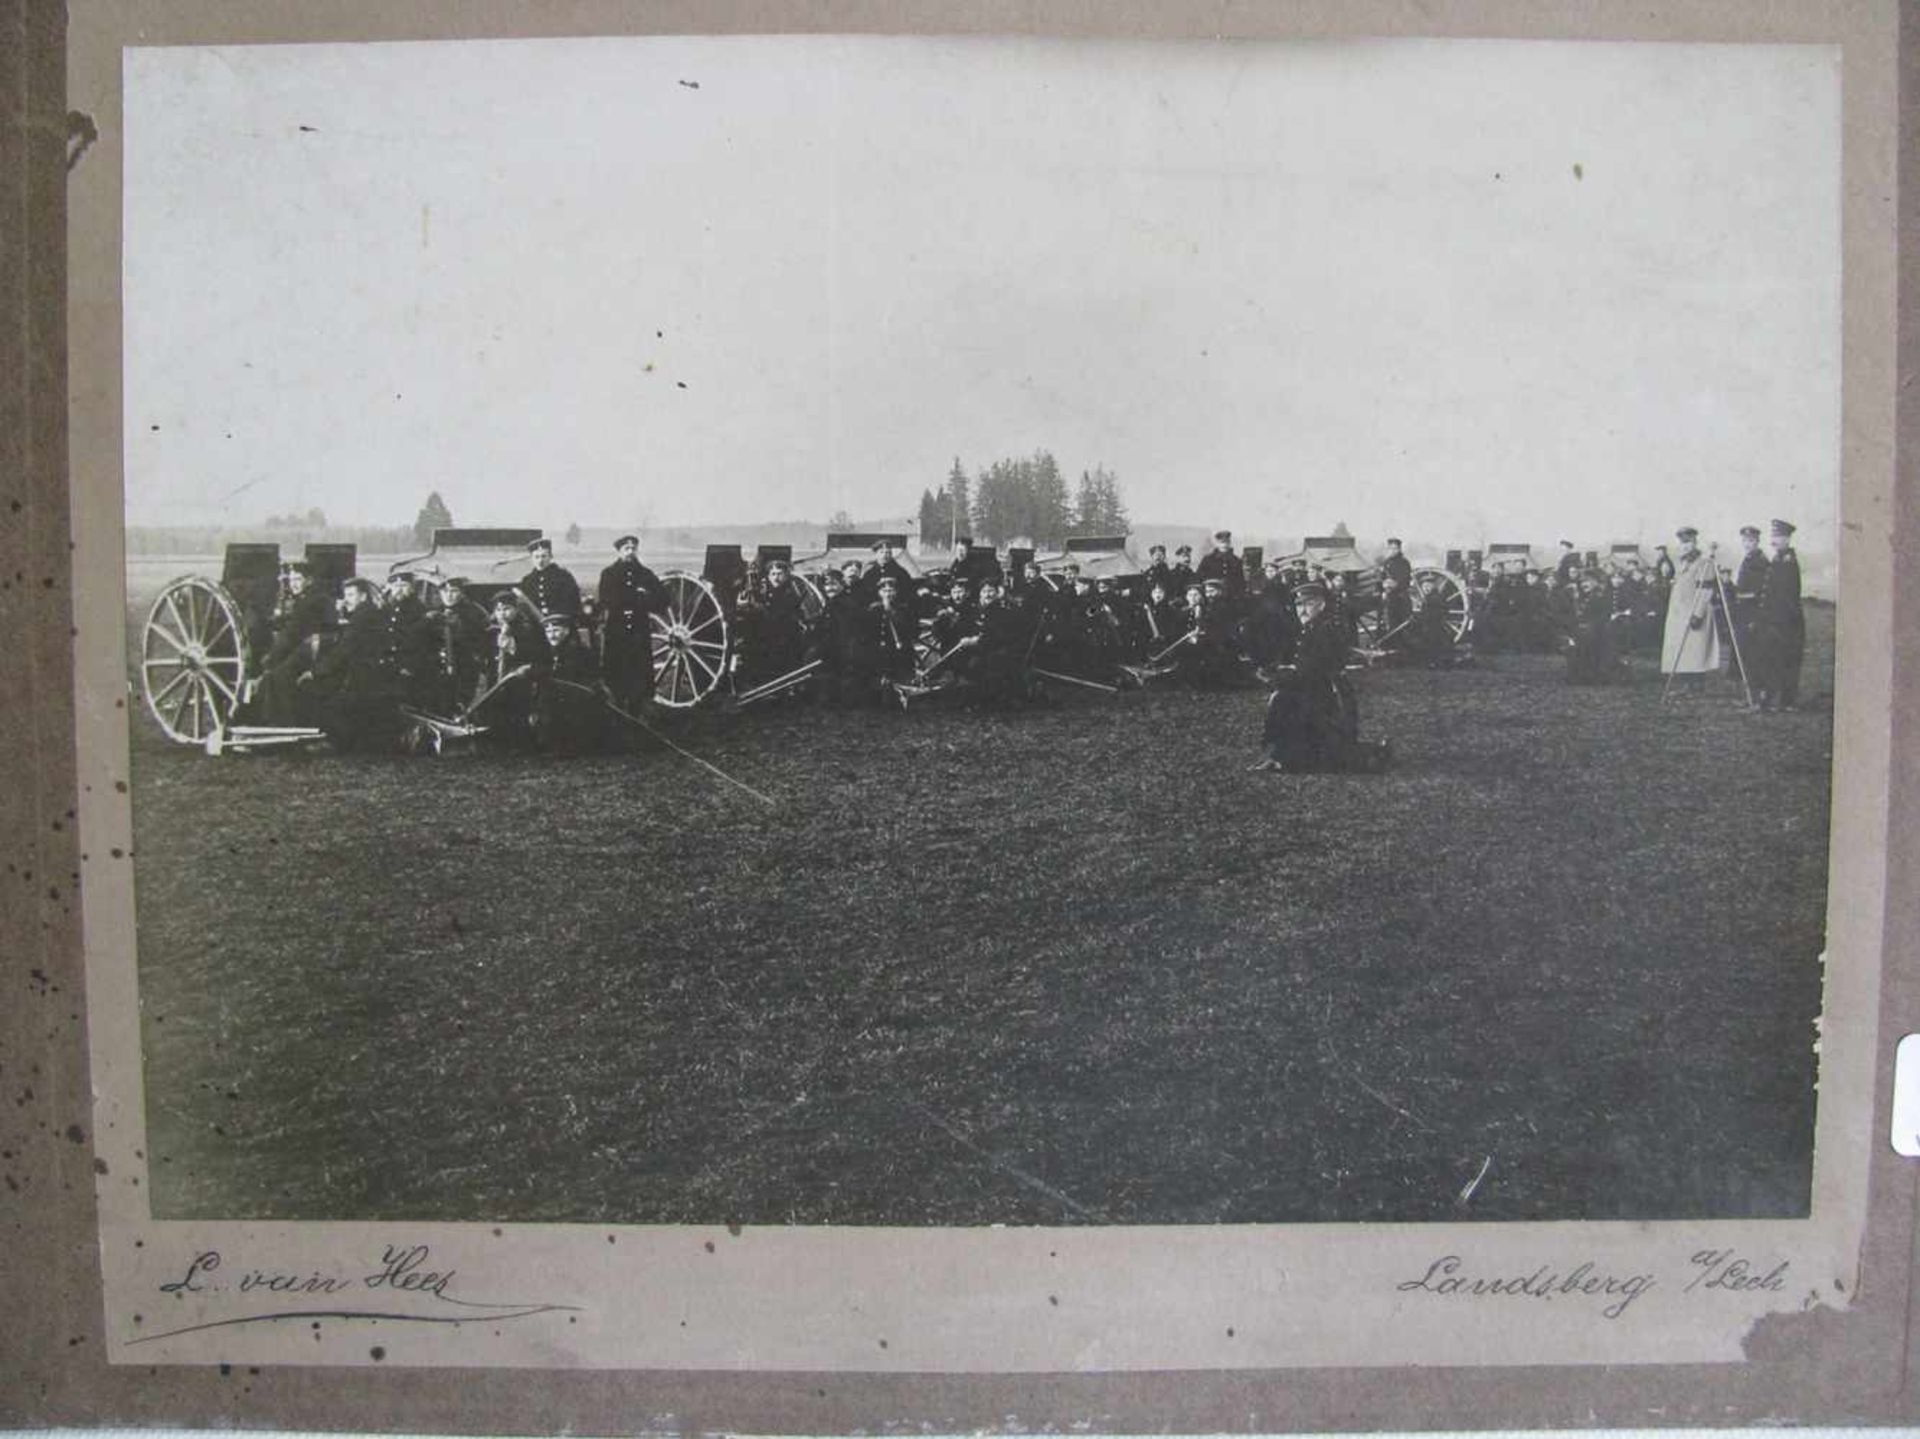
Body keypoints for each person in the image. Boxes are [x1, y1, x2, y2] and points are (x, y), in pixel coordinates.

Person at [1251, 581, 1390, 774]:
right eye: (1299, 605)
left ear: (1322, 605)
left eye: (1308, 604)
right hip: (1312, 689)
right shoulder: (1311, 628)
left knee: (1327, 756)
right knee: (1287, 707)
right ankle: (1279, 756)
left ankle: (1375, 754)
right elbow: (1301, 664)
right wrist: (1279, 671)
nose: (1302, 610)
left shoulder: (1325, 630)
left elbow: (1311, 670)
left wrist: (1277, 679)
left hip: (1326, 695)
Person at [596, 535, 670, 711]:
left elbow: (663, 600)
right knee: (617, 670)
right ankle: (618, 706)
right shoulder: (608, 574)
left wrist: (646, 599)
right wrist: (637, 596)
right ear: (619, 551)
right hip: (617, 630)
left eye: (633, 549)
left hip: (639, 630)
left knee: (639, 671)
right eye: (626, 549)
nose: (630, 552)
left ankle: (637, 709)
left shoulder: (645, 574)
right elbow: (606, 600)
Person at [1659, 526, 1723, 694]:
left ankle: (1696, 685)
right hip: (1681, 613)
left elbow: (1706, 589)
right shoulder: (1683, 563)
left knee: (1695, 650)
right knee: (1685, 650)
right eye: (1682, 542)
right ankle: (1688, 684)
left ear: (1695, 542)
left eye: (1688, 542)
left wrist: (1698, 613)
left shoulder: (1704, 562)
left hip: (1694, 611)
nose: (1685, 545)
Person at [1750, 518, 1805, 711]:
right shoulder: (1777, 559)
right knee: (1771, 658)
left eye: (1779, 536)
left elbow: (1788, 595)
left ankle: (1786, 701)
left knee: (1786, 659)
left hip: (1785, 621)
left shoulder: (1788, 561)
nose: (1775, 540)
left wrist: (1780, 621)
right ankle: (1771, 697)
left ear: (1788, 539)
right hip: (1772, 620)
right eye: (1774, 536)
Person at [1727, 524, 1768, 682]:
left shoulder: (1760, 561)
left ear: (1757, 541)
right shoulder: (1748, 559)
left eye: (1750, 541)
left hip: (1753, 610)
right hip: (1743, 610)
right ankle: (1742, 682)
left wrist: (1742, 597)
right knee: (1740, 646)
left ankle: (1752, 684)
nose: (1747, 544)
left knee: (1751, 650)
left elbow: (1760, 591)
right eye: (1744, 540)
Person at [520, 537, 582, 622]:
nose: (540, 560)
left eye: (544, 556)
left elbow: (572, 602)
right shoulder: (527, 580)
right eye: (536, 557)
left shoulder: (563, 576)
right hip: (536, 625)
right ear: (532, 558)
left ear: (551, 557)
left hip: (560, 623)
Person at [1196, 530, 1247, 599]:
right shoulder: (1208, 560)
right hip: (1212, 597)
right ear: (1217, 544)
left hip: (1232, 598)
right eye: (1222, 543)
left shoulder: (1236, 561)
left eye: (1227, 542)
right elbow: (1199, 577)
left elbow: (1241, 581)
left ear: (1230, 543)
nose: (1224, 545)